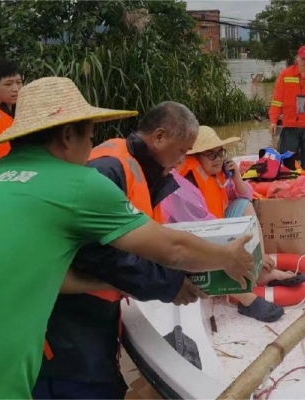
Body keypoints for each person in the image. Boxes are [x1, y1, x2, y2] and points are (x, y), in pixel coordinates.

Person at [0, 77, 255, 399]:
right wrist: (227, 258)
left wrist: (112, 284)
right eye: (91, 137)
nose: (91, 151)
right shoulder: (77, 183)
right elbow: (173, 248)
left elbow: (40, 272)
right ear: (68, 135)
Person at [33, 102, 207, 399]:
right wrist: (168, 284)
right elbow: (95, 253)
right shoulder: (108, 169)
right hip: (72, 323)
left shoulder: (139, 168)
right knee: (86, 387)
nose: (181, 162)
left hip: (95, 312)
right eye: (181, 151)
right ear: (160, 137)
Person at [175, 126, 305, 322]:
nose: (218, 158)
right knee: (216, 242)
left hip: (213, 225)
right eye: (211, 155)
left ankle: (260, 268)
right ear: (194, 157)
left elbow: (244, 195)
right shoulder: (185, 185)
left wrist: (235, 175)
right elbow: (207, 233)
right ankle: (245, 298)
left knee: (243, 204)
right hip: (190, 241)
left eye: (220, 152)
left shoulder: (215, 174)